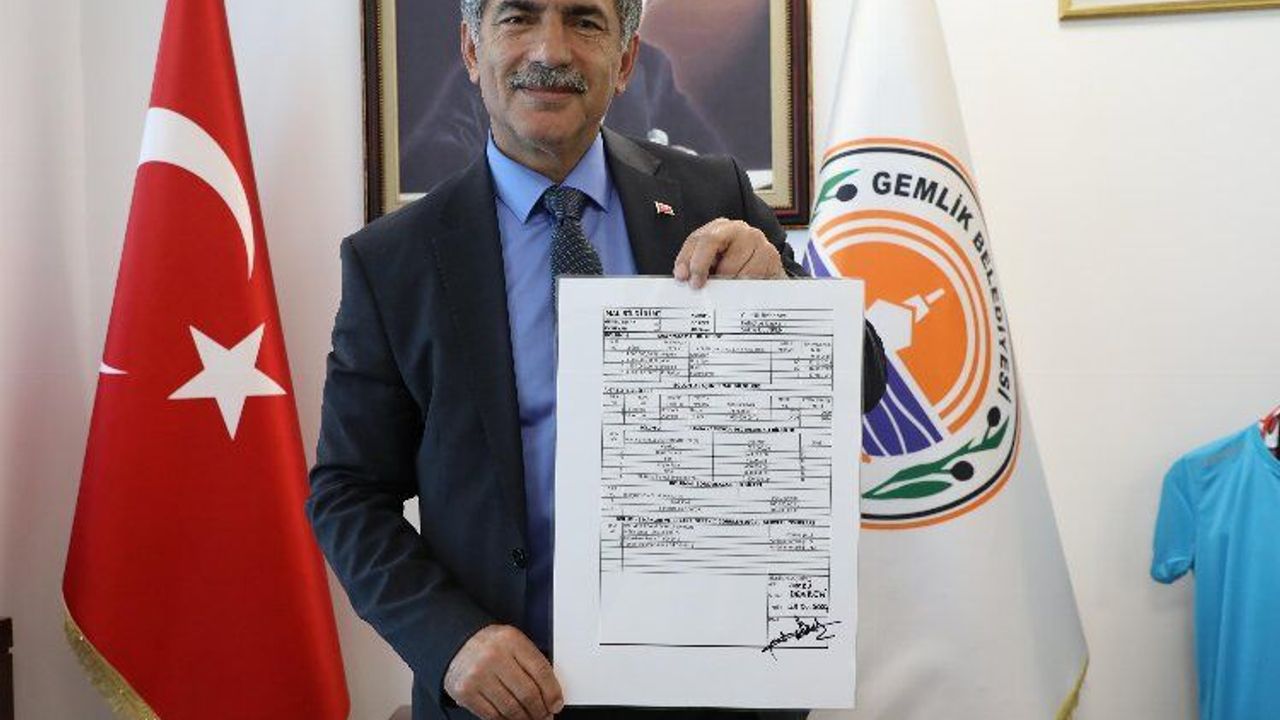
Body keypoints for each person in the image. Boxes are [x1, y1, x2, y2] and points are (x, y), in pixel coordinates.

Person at [307, 1, 887, 719]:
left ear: (626, 59)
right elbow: (347, 492)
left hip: (712, 687)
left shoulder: (715, 196)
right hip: (511, 696)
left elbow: (862, 385)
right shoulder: (392, 261)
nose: (550, 50)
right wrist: (449, 639)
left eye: (585, 21)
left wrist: (783, 299)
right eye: (518, 18)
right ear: (471, 49)